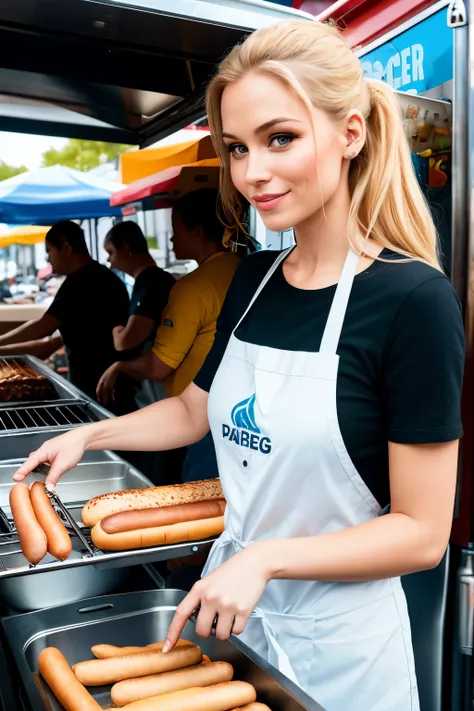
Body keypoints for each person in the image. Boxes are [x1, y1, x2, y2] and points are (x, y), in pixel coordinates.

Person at [14, 20, 464, 711]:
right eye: (237, 148)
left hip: (339, 653)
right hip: (232, 629)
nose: (252, 172)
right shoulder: (253, 281)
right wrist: (89, 434)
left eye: (280, 138)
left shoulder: (412, 300)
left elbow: (422, 532)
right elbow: (195, 408)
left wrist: (267, 557)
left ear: (350, 133)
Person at [96, 188, 241, 483]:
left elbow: (159, 366)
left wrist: (120, 365)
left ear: (197, 232)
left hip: (201, 418)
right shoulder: (244, 270)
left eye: (176, 230)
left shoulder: (193, 287)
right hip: (240, 412)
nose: (172, 239)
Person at [0, 221, 134, 413]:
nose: (48, 259)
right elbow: (50, 344)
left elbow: (42, 328)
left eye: (49, 251)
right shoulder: (101, 276)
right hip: (107, 384)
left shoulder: (81, 283)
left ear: (66, 247)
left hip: (100, 386)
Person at [103, 221, 176, 406]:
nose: (109, 262)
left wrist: (117, 331)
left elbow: (126, 341)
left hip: (160, 379)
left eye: (110, 252)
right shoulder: (155, 279)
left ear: (126, 248)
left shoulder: (150, 283)